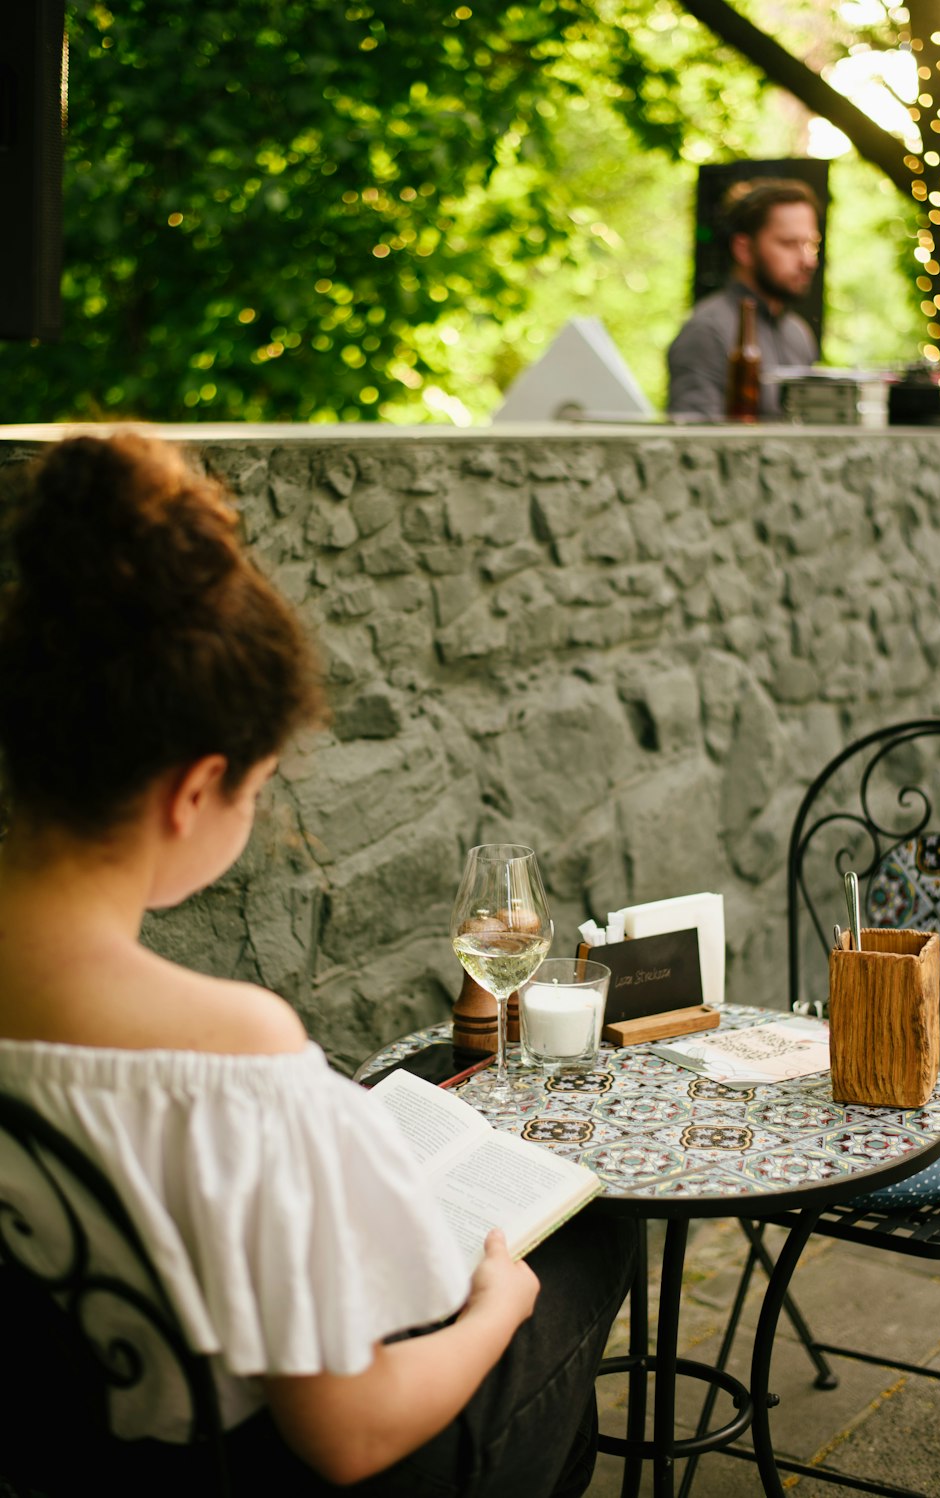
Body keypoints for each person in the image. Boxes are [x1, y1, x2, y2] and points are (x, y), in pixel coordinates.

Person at [0, 433, 635, 1497]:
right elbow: (348, 1433)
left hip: (58, 1447)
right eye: (256, 791)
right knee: (586, 1248)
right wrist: (496, 1306)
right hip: (248, 1471)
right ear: (194, 790)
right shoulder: (228, 1050)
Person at [667, 178, 822, 421]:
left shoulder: (798, 334)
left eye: (811, 244)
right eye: (789, 244)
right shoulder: (707, 331)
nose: (808, 261)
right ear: (743, 249)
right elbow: (694, 448)